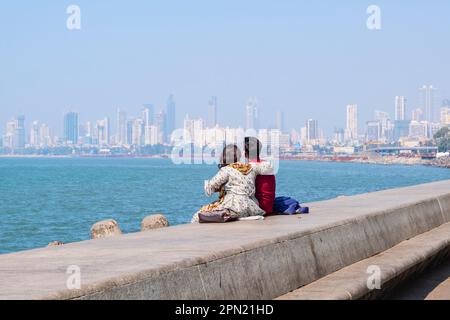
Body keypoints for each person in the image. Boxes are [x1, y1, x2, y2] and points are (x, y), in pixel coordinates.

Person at [191, 144, 272, 223]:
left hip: (234, 206)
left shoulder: (226, 170)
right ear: (239, 157)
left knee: (197, 216)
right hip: (252, 207)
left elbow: (209, 190)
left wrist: (210, 184)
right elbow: (268, 167)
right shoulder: (250, 167)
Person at [244, 137, 276, 214]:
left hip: (258, 208)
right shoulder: (267, 166)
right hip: (269, 207)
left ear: (245, 153)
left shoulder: (248, 169)